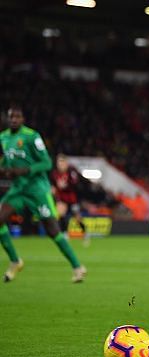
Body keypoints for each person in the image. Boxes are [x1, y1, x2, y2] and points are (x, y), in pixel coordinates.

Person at [0, 106, 87, 282]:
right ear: (8, 119)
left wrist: (26, 170)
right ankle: (15, 261)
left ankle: (78, 267)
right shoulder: (3, 137)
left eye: (17, 117)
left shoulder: (32, 136)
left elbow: (46, 163)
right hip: (18, 190)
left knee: (52, 229)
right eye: (11, 117)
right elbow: (9, 162)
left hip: (37, 190)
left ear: (23, 119)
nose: (14, 120)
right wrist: (6, 169)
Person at [50, 154, 90, 245]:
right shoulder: (54, 173)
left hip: (71, 198)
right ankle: (64, 234)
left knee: (77, 218)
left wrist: (66, 185)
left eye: (62, 162)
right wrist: (53, 188)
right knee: (60, 214)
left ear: (66, 163)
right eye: (59, 162)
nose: (60, 164)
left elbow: (76, 183)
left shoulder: (71, 171)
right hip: (61, 198)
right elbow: (52, 184)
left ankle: (85, 232)